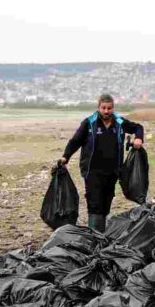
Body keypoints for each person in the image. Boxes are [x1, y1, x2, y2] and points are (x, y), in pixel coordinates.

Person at [61, 94, 144, 232]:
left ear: (113, 108)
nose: (106, 111)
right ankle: (94, 235)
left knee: (106, 202)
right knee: (94, 204)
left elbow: (138, 127)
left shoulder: (120, 122)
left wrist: (139, 139)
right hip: (92, 171)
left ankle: (102, 233)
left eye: (109, 108)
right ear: (98, 107)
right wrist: (65, 157)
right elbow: (75, 141)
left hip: (112, 172)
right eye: (103, 108)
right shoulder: (88, 123)